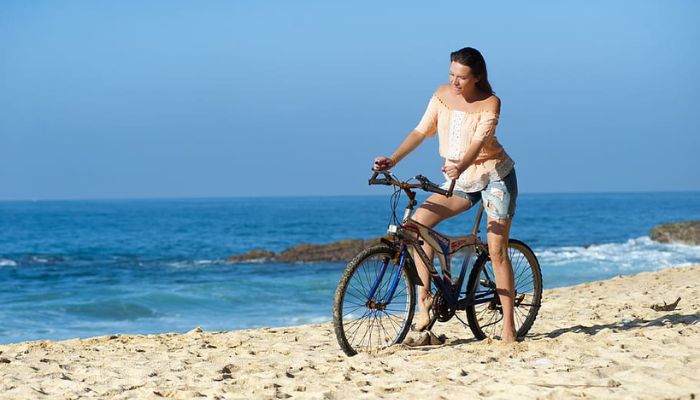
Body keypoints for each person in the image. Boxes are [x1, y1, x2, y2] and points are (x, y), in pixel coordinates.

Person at [373, 47, 519, 343]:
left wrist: (459, 166)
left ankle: (508, 327)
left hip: (495, 177)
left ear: (477, 77)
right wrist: (393, 159)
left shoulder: (490, 102)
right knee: (415, 228)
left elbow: (479, 143)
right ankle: (424, 302)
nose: (454, 82)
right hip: (460, 179)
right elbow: (420, 131)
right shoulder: (442, 94)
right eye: (451, 74)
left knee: (496, 250)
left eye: (461, 77)